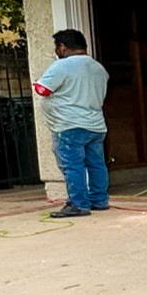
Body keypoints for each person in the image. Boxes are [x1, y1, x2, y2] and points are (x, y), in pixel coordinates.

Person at [34, 28, 111, 218]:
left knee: (72, 166)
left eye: (56, 47)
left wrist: (37, 82)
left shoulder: (62, 66)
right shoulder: (98, 68)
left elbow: (42, 90)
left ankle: (78, 204)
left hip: (69, 125)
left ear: (62, 47)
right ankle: (99, 200)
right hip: (95, 125)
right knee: (96, 164)